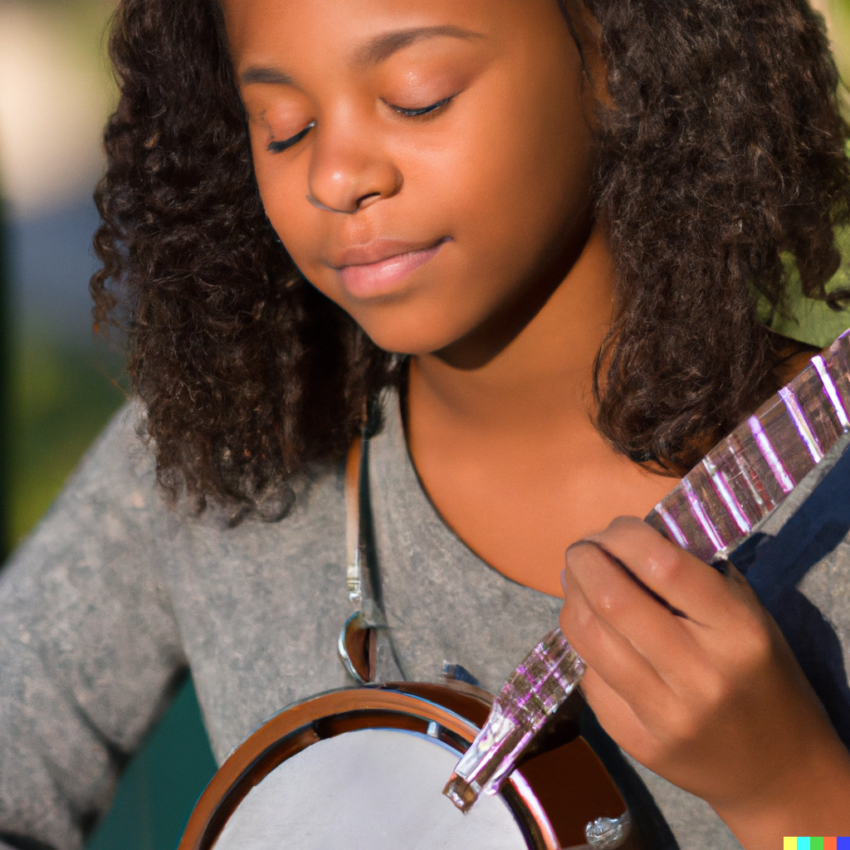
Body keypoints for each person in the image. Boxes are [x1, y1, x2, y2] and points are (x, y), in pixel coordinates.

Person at [2, 0, 850, 847]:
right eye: (284, 125)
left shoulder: (829, 504)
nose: (335, 177)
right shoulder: (235, 449)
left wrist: (793, 797)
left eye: (417, 96)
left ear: (619, 60)